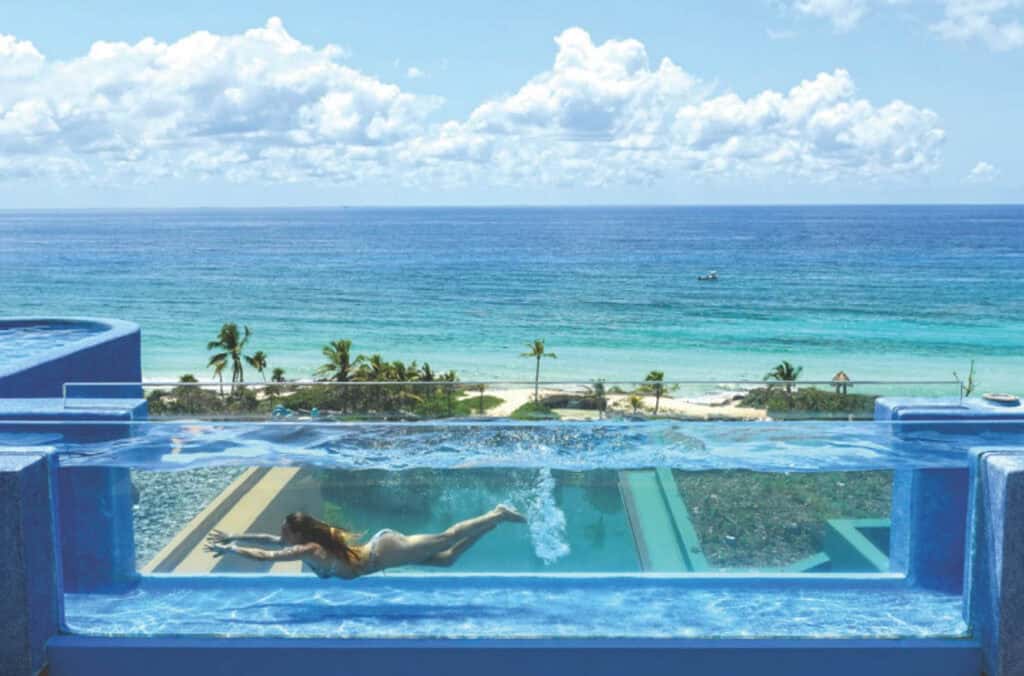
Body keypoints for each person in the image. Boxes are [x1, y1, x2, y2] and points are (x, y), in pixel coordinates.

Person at [203, 504, 526, 579]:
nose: (281, 536)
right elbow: (265, 541)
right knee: (447, 558)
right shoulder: (309, 544)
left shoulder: (310, 549)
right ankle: (488, 527)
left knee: (446, 538)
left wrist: (229, 548)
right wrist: (233, 535)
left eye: (285, 532)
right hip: (382, 553)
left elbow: (264, 555)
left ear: (298, 536)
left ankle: (496, 514)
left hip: (385, 552)